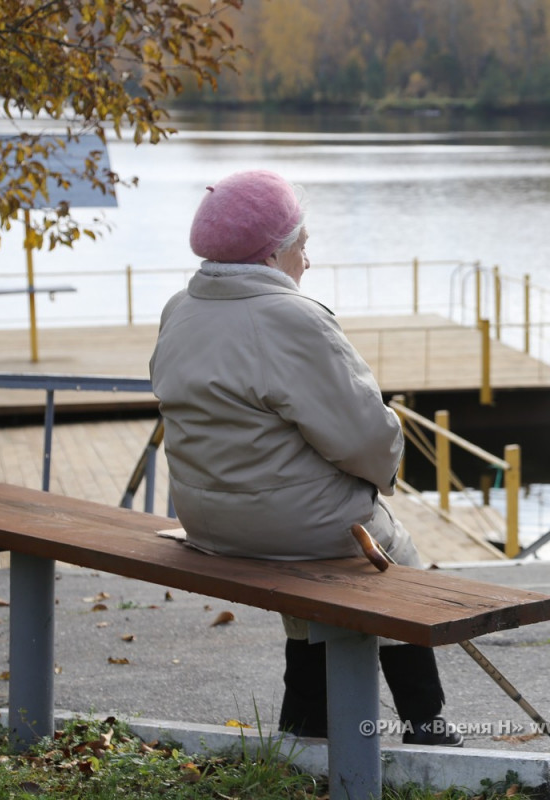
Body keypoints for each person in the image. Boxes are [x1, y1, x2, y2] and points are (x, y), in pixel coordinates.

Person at [149, 169, 461, 745]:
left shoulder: (179, 308)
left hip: (207, 521)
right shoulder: (292, 320)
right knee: (393, 560)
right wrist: (379, 478)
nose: (308, 261)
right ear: (272, 252)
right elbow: (366, 438)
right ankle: (428, 728)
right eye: (303, 245)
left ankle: (306, 728)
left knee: (314, 582)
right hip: (290, 528)